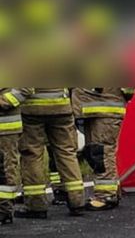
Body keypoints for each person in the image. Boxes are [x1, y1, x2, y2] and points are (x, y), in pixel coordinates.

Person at [19, 88, 85, 217]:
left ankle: (36, 205)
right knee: (67, 153)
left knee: (32, 154)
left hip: (32, 110)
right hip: (62, 108)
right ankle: (77, 202)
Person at [72, 87, 135, 210]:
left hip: (105, 111)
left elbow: (129, 88)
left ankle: (106, 196)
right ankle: (111, 192)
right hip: (95, 110)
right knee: (97, 152)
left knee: (102, 153)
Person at [0, 88, 30, 224]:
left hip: (6, 126)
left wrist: (2, 101)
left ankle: (4, 209)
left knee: (6, 168)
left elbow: (25, 90)